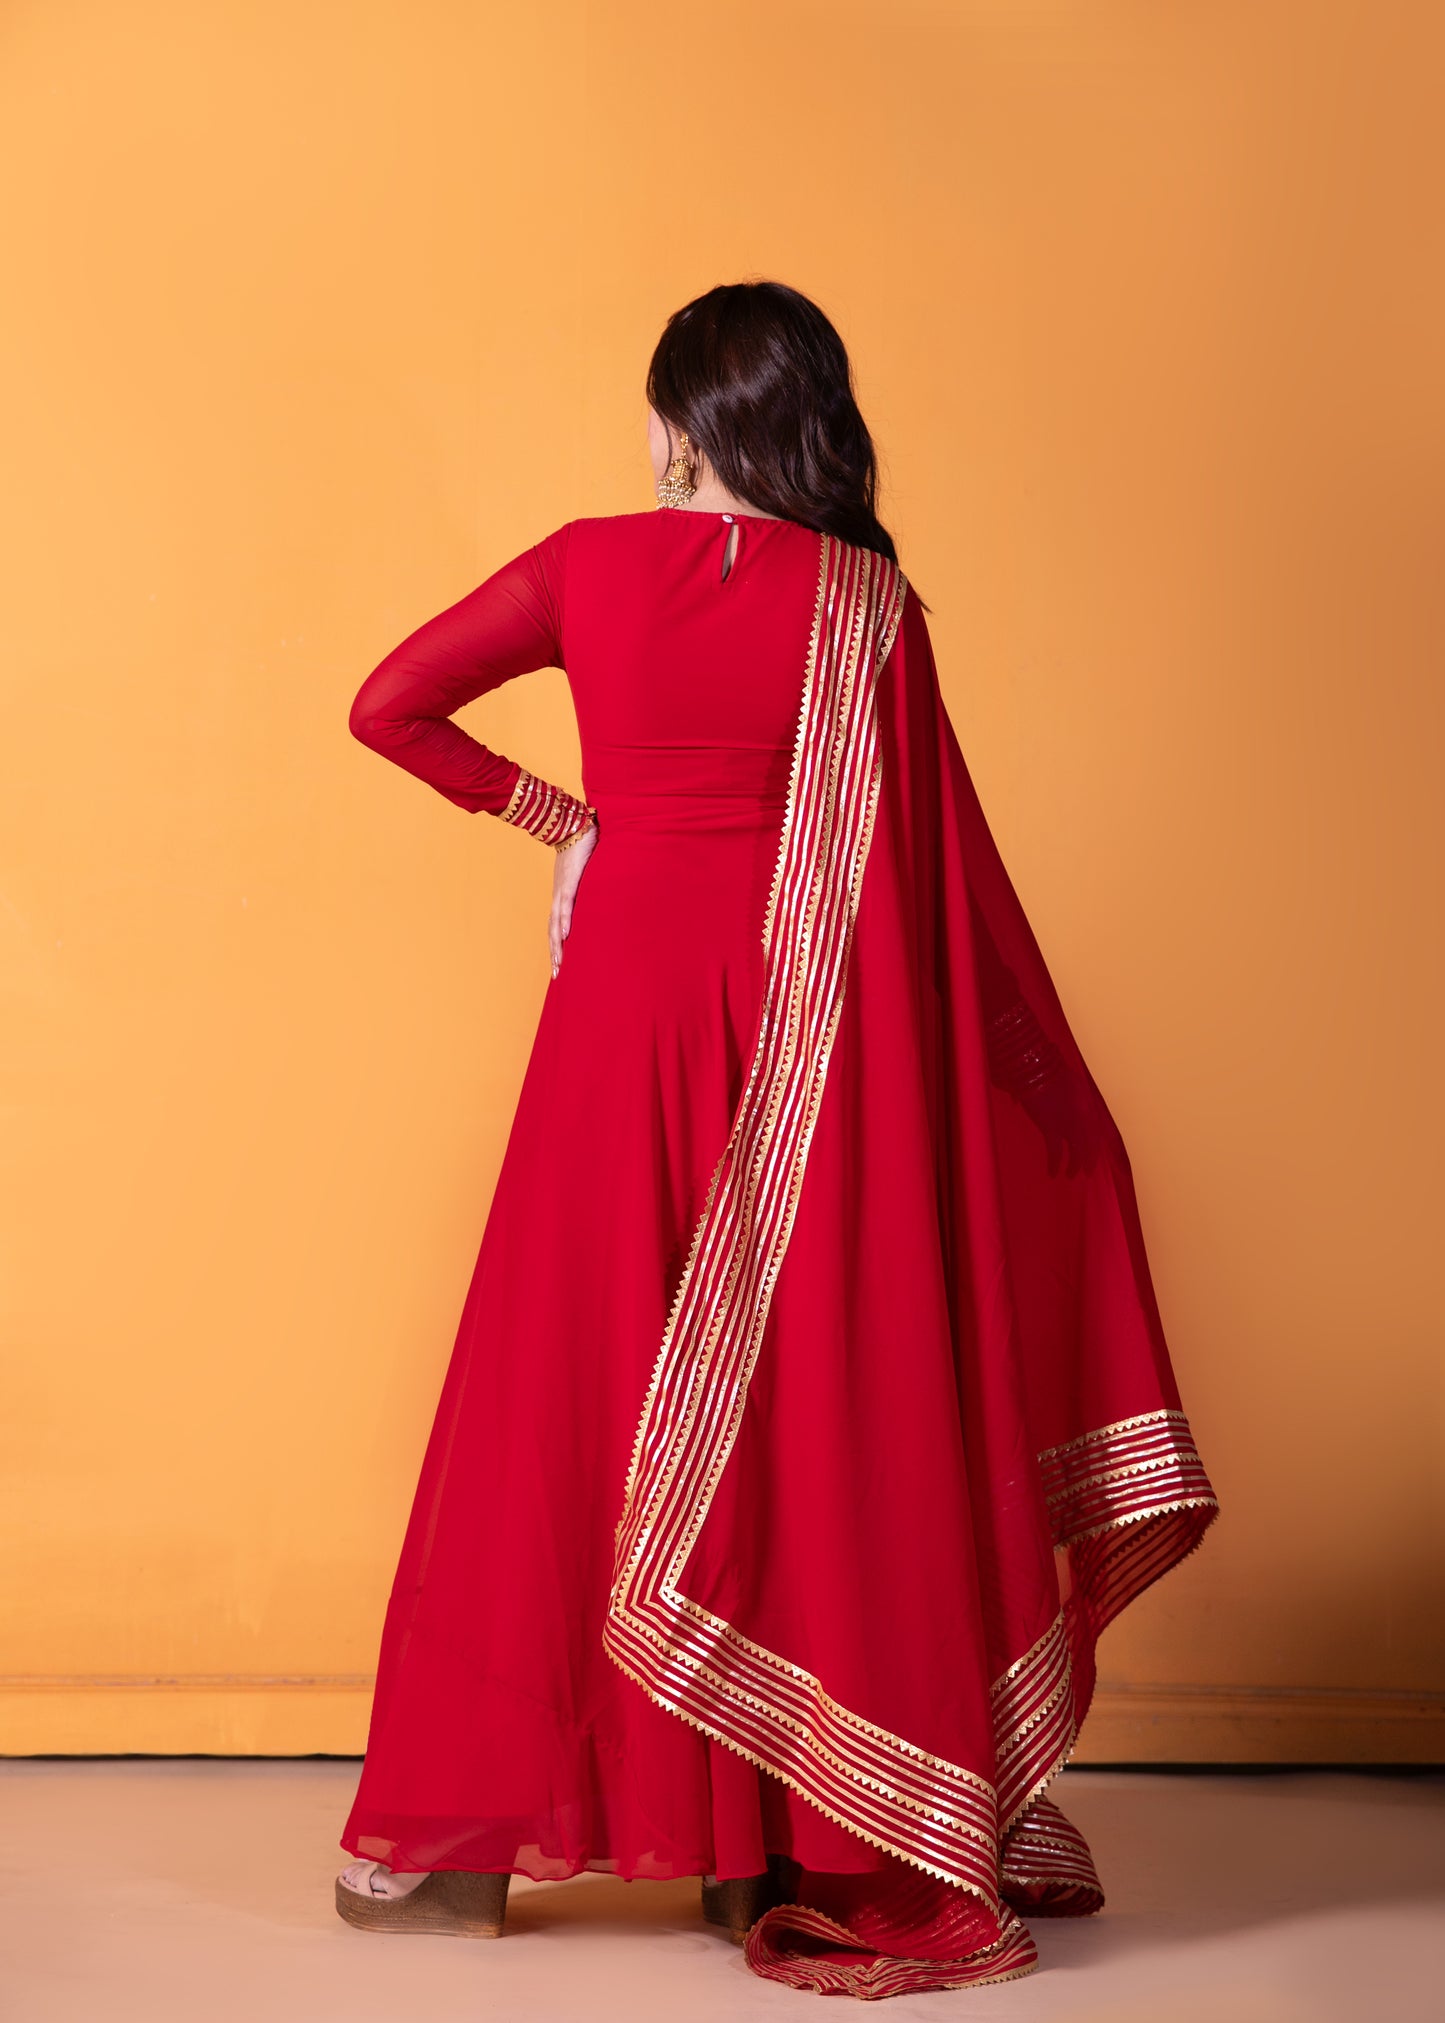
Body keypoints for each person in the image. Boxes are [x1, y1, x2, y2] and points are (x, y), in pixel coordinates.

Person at [334, 280, 1217, 1998]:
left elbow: (386, 704)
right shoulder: (867, 607)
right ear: (807, 426)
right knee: (813, 1397)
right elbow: (958, 896)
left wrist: (566, 824)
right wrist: (1052, 1107)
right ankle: (786, 1850)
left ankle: (451, 1855)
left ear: (677, 426)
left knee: (565, 1383)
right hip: (817, 1050)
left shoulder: (583, 565)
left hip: (625, 1021)